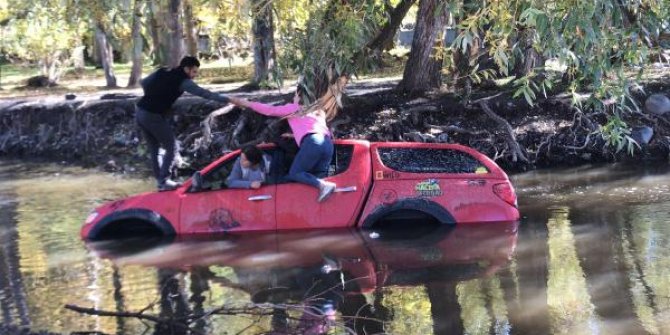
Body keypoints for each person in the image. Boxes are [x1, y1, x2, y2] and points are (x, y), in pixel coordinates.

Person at [228, 77, 347, 202]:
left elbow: (268, 110)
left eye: (295, 94)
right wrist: (294, 136)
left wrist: (245, 103)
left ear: (299, 96)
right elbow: (314, 128)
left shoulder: (294, 108)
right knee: (319, 177)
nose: (293, 97)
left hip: (313, 142)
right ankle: (321, 196)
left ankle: (324, 186)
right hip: (327, 144)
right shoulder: (318, 111)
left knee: (295, 173)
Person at [135, 56, 230, 191]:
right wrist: (227, 99)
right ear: (186, 69)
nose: (195, 75)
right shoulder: (184, 81)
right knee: (172, 147)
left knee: (154, 148)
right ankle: (164, 181)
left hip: (140, 111)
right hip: (152, 115)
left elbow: (144, 82)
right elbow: (204, 93)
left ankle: (161, 182)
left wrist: (156, 95)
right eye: (194, 72)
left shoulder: (163, 71)